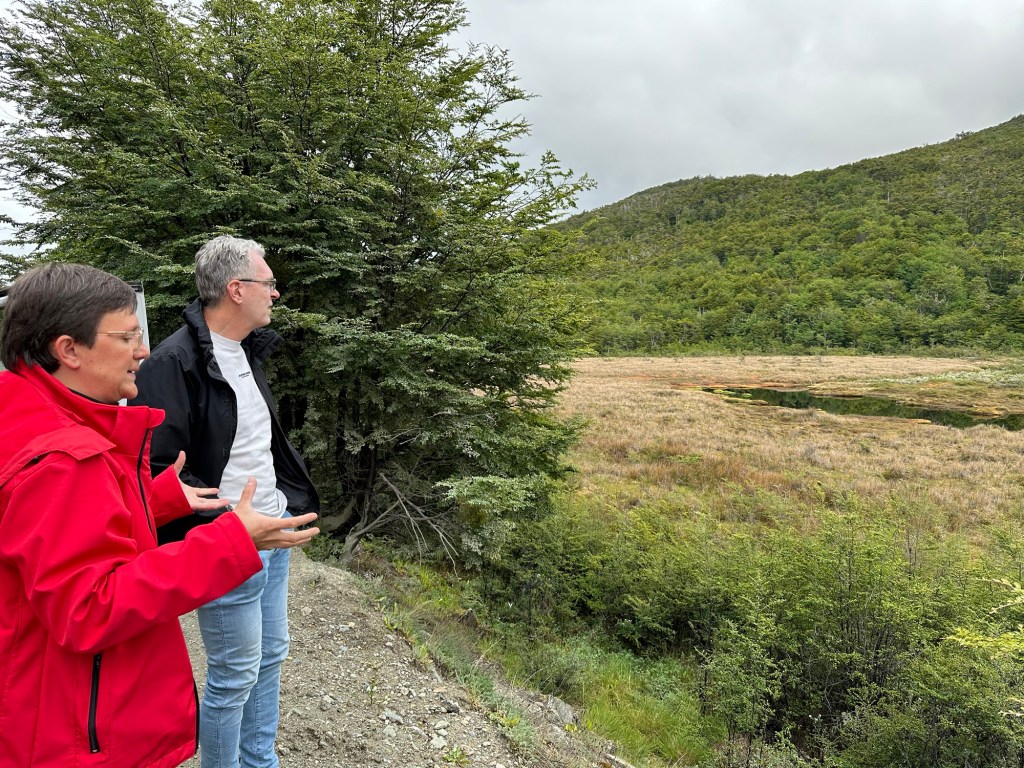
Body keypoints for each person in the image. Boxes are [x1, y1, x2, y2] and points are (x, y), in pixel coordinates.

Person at [0, 262, 319, 768]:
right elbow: (89, 608)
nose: (143, 351)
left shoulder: (27, 416)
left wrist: (156, 500)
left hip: (42, 703)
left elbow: (60, 531)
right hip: (74, 733)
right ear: (69, 350)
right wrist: (232, 541)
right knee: (237, 670)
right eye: (127, 336)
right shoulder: (65, 459)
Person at [131, 235, 320, 768]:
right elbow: (162, 468)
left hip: (271, 532)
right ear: (236, 290)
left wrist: (284, 504)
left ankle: (259, 761)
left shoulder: (245, 350)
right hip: (226, 541)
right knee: (234, 675)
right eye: (269, 283)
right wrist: (228, 522)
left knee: (270, 656)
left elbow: (257, 442)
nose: (276, 293)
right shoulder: (173, 362)